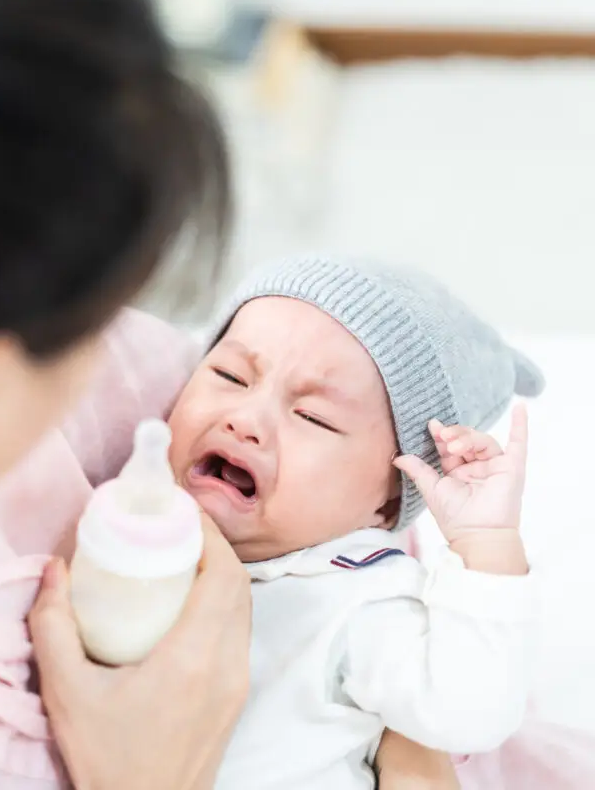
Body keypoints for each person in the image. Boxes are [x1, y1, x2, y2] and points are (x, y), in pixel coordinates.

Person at [0, 0, 448, 788]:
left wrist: (415, 733)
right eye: (95, 320)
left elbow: (370, 463)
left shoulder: (122, 382)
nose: (240, 414)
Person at [165, 254, 543, 787]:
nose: (245, 420)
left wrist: (486, 544)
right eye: (230, 375)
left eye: (313, 417)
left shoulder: (357, 599)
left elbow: (470, 712)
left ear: (385, 506)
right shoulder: (122, 505)